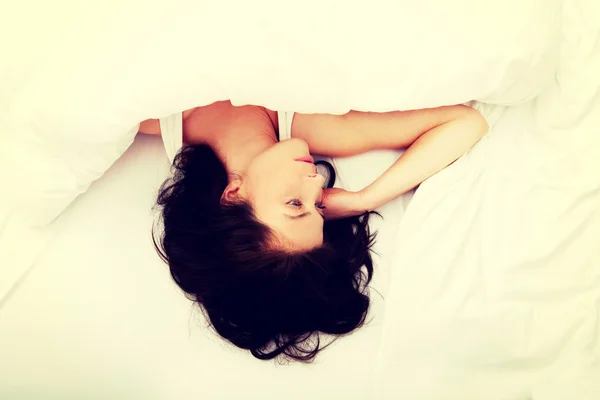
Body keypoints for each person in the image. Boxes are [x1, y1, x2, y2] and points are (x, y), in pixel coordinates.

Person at [140, 100, 488, 362]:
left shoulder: (152, 114)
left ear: (232, 196)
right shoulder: (316, 126)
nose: (316, 182)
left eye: (295, 205)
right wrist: (361, 200)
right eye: (319, 206)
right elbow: (465, 122)